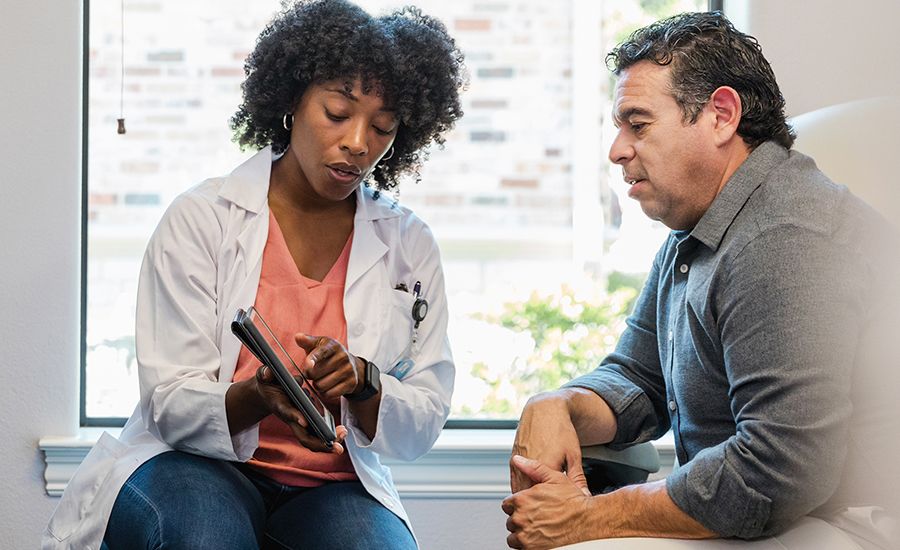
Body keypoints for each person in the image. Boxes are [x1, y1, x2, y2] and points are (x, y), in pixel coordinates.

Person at [43, 1, 465, 548]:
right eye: (338, 113)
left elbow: (425, 417)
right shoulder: (203, 219)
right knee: (204, 536)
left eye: (383, 126)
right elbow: (169, 402)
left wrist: (365, 382)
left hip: (333, 485)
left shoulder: (409, 242)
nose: (359, 143)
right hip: (193, 465)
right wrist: (259, 395)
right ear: (291, 101)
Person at [503, 11, 900, 550]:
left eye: (638, 124)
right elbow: (639, 376)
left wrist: (589, 516)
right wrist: (560, 403)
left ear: (721, 116)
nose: (617, 150)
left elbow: (777, 471)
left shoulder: (783, 238)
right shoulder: (698, 229)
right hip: (776, 517)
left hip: (851, 523)